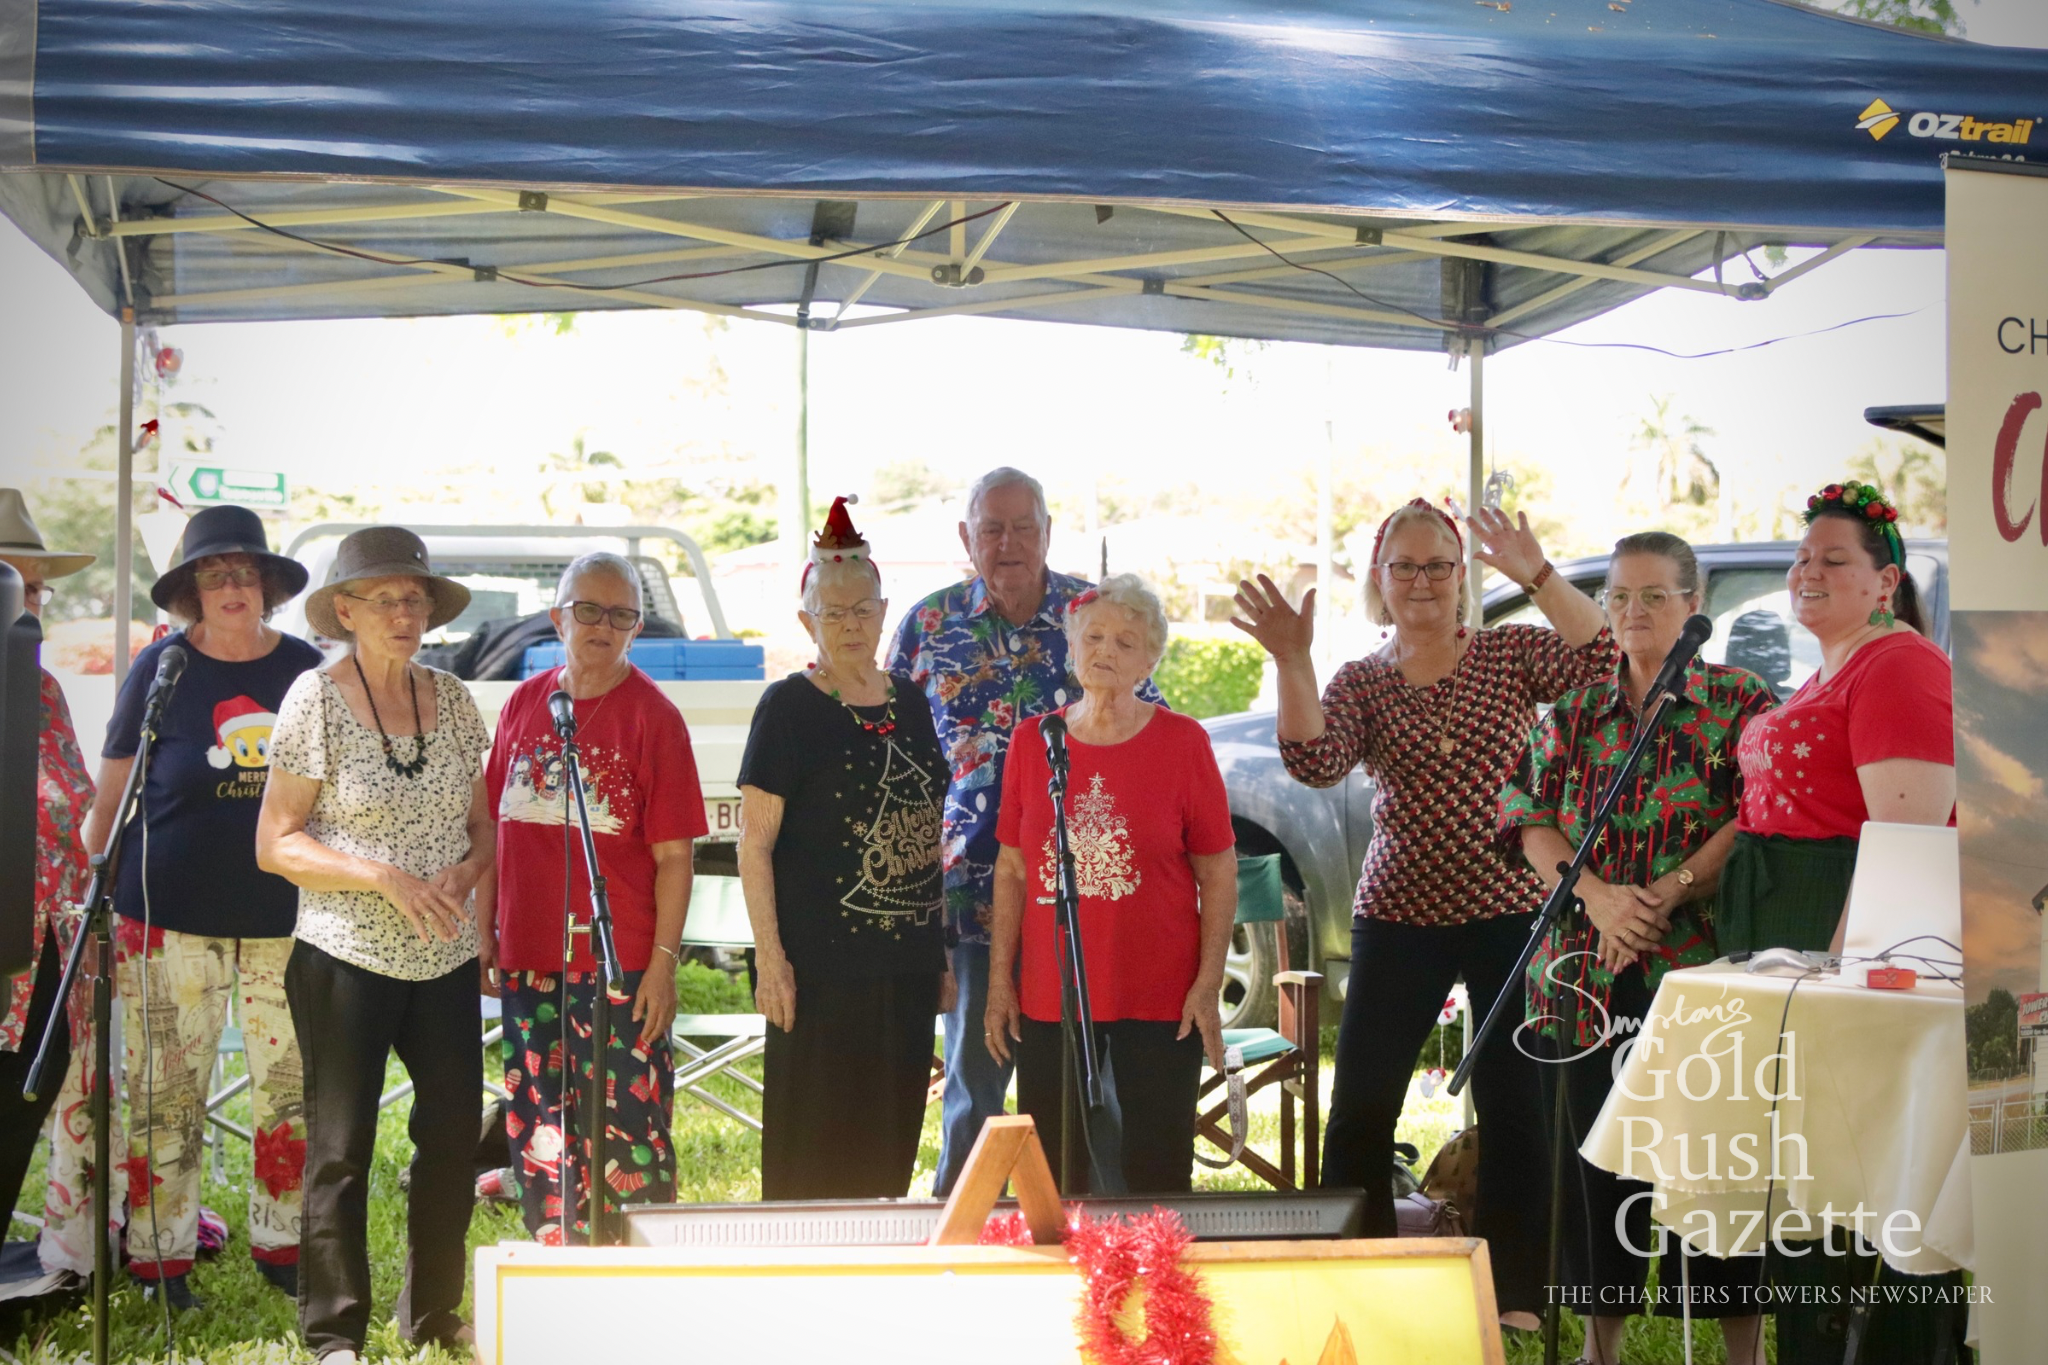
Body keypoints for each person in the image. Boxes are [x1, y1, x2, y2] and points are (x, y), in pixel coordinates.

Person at [1231, 499, 1613, 1328]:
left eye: (1438, 564)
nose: (1421, 581)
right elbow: (1316, 760)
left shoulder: (1511, 652)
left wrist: (1538, 573)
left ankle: (1515, 1293)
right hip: (1399, 908)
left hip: (1510, 901)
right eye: (1403, 566)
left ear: (1461, 575)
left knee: (1518, 1103)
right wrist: (1293, 660)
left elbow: (1602, 659)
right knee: (1364, 1101)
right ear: (1380, 579)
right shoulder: (1362, 678)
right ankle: (1355, 1273)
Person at [1498, 532, 1771, 1365]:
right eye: (1619, 596)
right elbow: (1523, 815)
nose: (1633, 612)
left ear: (1696, 608)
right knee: (1597, 1156)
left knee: (1713, 1159)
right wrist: (1601, 898)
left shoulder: (1741, 700)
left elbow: (1757, 811)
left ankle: (1740, 1349)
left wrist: (1676, 884)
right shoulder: (1575, 712)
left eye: (1655, 595)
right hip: (1582, 968)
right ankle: (1598, 1344)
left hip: (1703, 969)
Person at [1718, 481, 1959, 1364]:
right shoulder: (1833, 667)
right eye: (1802, 557)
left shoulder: (1900, 664)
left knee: (1860, 1176)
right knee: (1807, 1180)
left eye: (1834, 559)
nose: (1806, 571)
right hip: (1784, 932)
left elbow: (1903, 837)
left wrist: (1839, 970)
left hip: (1845, 939)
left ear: (1885, 580)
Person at [890, 466, 1163, 1195]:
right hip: (968, 897)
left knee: (1083, 1089)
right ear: (966, 536)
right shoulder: (927, 625)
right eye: (991, 527)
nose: (1007, 542)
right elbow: (899, 769)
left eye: (1022, 527)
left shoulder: (1095, 616)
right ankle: (964, 1240)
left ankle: (1099, 1238)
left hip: (1078, 904)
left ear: (1047, 532)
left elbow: (1149, 730)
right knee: (972, 1086)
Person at [256, 527, 492, 1365]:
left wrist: (468, 874)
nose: (404, 612)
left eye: (415, 597)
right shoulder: (313, 699)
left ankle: (432, 1311)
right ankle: (333, 1333)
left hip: (446, 955)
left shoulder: (456, 700)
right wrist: (381, 876)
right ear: (346, 610)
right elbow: (275, 842)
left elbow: (480, 824)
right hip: (342, 952)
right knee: (341, 1147)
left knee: (454, 1134)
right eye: (386, 599)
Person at [76, 505, 322, 1308]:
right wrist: (95, 872)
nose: (231, 586)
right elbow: (106, 807)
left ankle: (284, 1244)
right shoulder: (161, 669)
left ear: (267, 587)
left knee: (289, 1089)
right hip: (166, 914)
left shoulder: (308, 671)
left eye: (245, 572)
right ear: (189, 592)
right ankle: (159, 1260)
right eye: (213, 574)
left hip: (289, 921)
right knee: (162, 1092)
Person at [477, 552, 706, 1243]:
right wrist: (484, 929)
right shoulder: (524, 702)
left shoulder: (654, 718)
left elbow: (675, 857)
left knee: (631, 1129)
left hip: (620, 964)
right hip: (529, 956)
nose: (603, 625)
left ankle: (634, 1264)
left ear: (636, 628)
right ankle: (559, 1255)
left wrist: (662, 964)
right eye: (589, 609)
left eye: (621, 614)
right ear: (558, 616)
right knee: (540, 1122)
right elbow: (491, 827)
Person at [985, 575, 1236, 1194]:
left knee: (1157, 1172)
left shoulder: (1183, 742)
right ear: (1071, 649)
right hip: (1053, 994)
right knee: (1055, 1174)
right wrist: (999, 981)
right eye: (1093, 636)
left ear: (1151, 659)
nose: (1105, 651)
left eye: (1126, 642)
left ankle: (1161, 1287)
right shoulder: (1032, 741)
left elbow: (1218, 869)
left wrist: (1208, 984)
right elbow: (1013, 868)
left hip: (1158, 992)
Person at [738, 498, 952, 1199]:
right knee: (815, 1149)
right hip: (819, 975)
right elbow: (755, 843)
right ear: (808, 622)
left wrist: (941, 953)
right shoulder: (788, 708)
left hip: (905, 967)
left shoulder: (912, 700)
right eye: (835, 614)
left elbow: (929, 828)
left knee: (888, 1143)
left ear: (884, 610)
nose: (852, 625)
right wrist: (770, 959)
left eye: (863, 610)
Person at [0, 490, 103, 1273]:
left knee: (27, 1091)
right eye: (15, 583)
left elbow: (76, 804)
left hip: (44, 945)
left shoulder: (41, 688)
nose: (31, 603)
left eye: (38, 588)